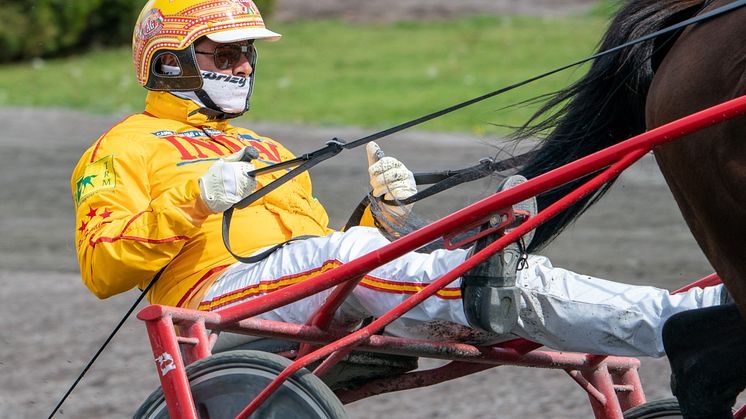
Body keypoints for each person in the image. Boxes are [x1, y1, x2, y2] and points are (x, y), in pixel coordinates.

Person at [72, 0, 724, 359]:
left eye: (248, 52)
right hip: (211, 300)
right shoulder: (122, 145)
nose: (244, 66)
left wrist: (380, 218)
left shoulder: (258, 145)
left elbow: (315, 251)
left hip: (291, 288)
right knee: (375, 260)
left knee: (463, 254)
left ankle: (675, 317)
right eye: (227, 51)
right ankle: (674, 322)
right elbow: (103, 266)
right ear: (171, 62)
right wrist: (193, 198)